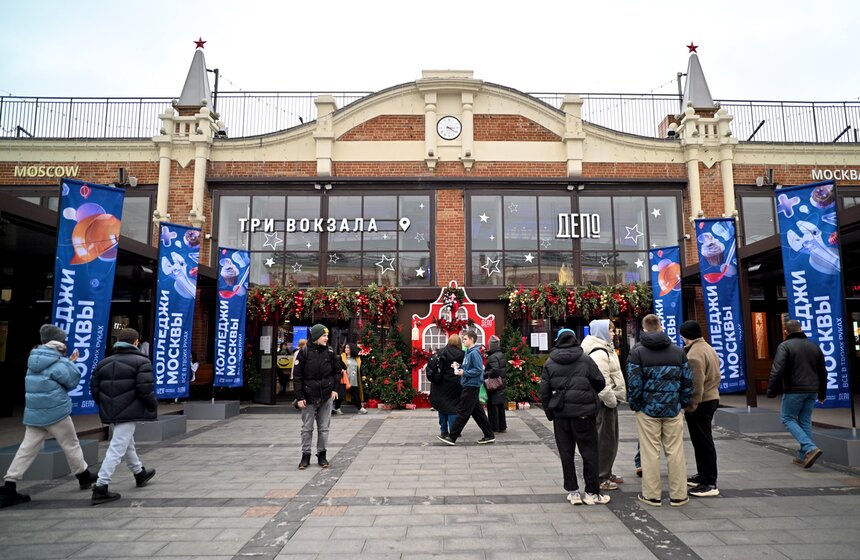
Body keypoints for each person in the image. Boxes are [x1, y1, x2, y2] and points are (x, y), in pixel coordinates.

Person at [0, 325, 98, 509]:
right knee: (71, 443)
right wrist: (71, 362)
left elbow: (49, 375)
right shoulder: (57, 361)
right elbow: (72, 380)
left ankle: (9, 484)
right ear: (59, 342)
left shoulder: (34, 359)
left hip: (35, 411)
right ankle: (83, 475)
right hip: (56, 411)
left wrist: (66, 361)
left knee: (27, 448)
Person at [627, 314, 693, 507]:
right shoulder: (678, 352)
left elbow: (634, 383)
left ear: (644, 329)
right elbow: (687, 381)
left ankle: (652, 495)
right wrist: (682, 403)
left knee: (650, 453)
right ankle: (679, 495)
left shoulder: (637, 353)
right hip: (673, 408)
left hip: (647, 409)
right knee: (675, 452)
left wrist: (636, 405)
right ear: (661, 327)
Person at [539, 328, 609, 505]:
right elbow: (600, 382)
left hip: (561, 415)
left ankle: (573, 492)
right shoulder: (585, 359)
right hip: (584, 414)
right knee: (589, 453)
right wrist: (589, 395)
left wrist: (550, 413)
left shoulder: (550, 362)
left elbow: (544, 392)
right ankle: (592, 493)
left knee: (566, 453)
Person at [89, 327, 158, 505]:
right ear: (136, 342)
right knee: (117, 447)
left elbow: (94, 389)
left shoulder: (104, 362)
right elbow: (145, 389)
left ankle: (139, 473)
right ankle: (101, 486)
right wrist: (152, 406)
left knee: (127, 443)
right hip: (129, 410)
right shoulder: (142, 362)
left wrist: (105, 404)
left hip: (111, 409)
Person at [766, 319, 827, 469]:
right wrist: (822, 393)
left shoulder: (785, 346)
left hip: (794, 389)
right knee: (805, 421)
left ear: (786, 331)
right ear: (801, 329)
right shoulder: (814, 347)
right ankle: (802, 456)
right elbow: (823, 371)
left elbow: (777, 369)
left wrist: (771, 390)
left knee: (787, 418)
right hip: (812, 390)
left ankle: (810, 448)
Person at [581, 319, 626, 492]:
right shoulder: (599, 352)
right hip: (604, 403)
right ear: (602, 332)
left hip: (607, 401)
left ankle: (607, 471)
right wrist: (612, 400)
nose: (613, 333)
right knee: (605, 440)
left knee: (609, 439)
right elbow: (602, 382)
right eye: (610, 330)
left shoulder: (606, 348)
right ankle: (601, 476)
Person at [679, 320, 722, 497]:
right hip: (711, 398)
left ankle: (709, 482)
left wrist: (691, 405)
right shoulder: (707, 348)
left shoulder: (695, 354)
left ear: (685, 336)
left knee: (703, 442)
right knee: (701, 442)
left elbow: (696, 385)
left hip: (702, 402)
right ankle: (703, 475)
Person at [293, 324, 343, 469]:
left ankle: (322, 455)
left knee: (324, 428)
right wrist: (299, 397)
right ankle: (305, 456)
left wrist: (335, 389)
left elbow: (337, 371)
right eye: (324, 336)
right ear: (316, 337)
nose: (326, 338)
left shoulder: (330, 352)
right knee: (307, 428)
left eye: (327, 336)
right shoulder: (304, 353)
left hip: (326, 396)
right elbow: (297, 377)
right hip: (308, 397)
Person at [436, 330, 495, 446]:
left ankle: (452, 437)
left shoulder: (474, 353)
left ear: (471, 339)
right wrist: (459, 366)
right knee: (478, 413)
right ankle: (489, 435)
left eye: (465, 339)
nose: (463, 341)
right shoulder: (468, 352)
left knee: (463, 412)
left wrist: (464, 373)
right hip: (469, 385)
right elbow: (469, 366)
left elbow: (478, 370)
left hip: (471, 386)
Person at [430, 334, 465, 438]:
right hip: (455, 383)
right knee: (453, 408)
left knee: (442, 407)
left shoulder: (441, 352)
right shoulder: (462, 354)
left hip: (440, 383)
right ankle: (454, 431)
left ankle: (444, 431)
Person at [485, 335, 508, 434]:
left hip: (494, 384)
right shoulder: (500, 354)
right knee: (500, 405)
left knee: (493, 406)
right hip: (501, 382)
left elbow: (495, 370)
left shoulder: (492, 357)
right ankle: (502, 426)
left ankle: (494, 427)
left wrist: (485, 374)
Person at [339, 343, 367, 414]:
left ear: (352, 349)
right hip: (345, 379)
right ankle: (337, 408)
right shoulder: (342, 357)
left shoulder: (357, 358)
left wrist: (363, 375)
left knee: (356, 395)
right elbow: (338, 366)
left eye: (348, 348)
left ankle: (360, 408)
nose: (346, 349)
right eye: (345, 347)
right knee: (341, 394)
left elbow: (360, 367)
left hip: (354, 380)